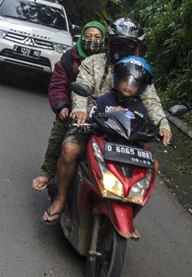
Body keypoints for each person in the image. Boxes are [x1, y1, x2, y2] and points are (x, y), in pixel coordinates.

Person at [41, 51, 168, 226]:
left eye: (134, 84)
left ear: (142, 87)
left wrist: (160, 127)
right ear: (117, 79)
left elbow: (149, 119)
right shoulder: (104, 100)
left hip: (126, 150)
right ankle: (61, 199)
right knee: (70, 150)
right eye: (125, 80)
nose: (128, 87)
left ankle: (129, 214)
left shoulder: (141, 107)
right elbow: (90, 112)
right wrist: (83, 116)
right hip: (100, 144)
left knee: (153, 164)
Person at [31, 21, 106, 191]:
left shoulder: (109, 62)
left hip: (101, 114)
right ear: (81, 38)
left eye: (97, 37)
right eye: (88, 37)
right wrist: (62, 106)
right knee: (59, 134)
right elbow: (58, 85)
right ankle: (47, 172)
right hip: (74, 110)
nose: (92, 40)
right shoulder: (68, 58)